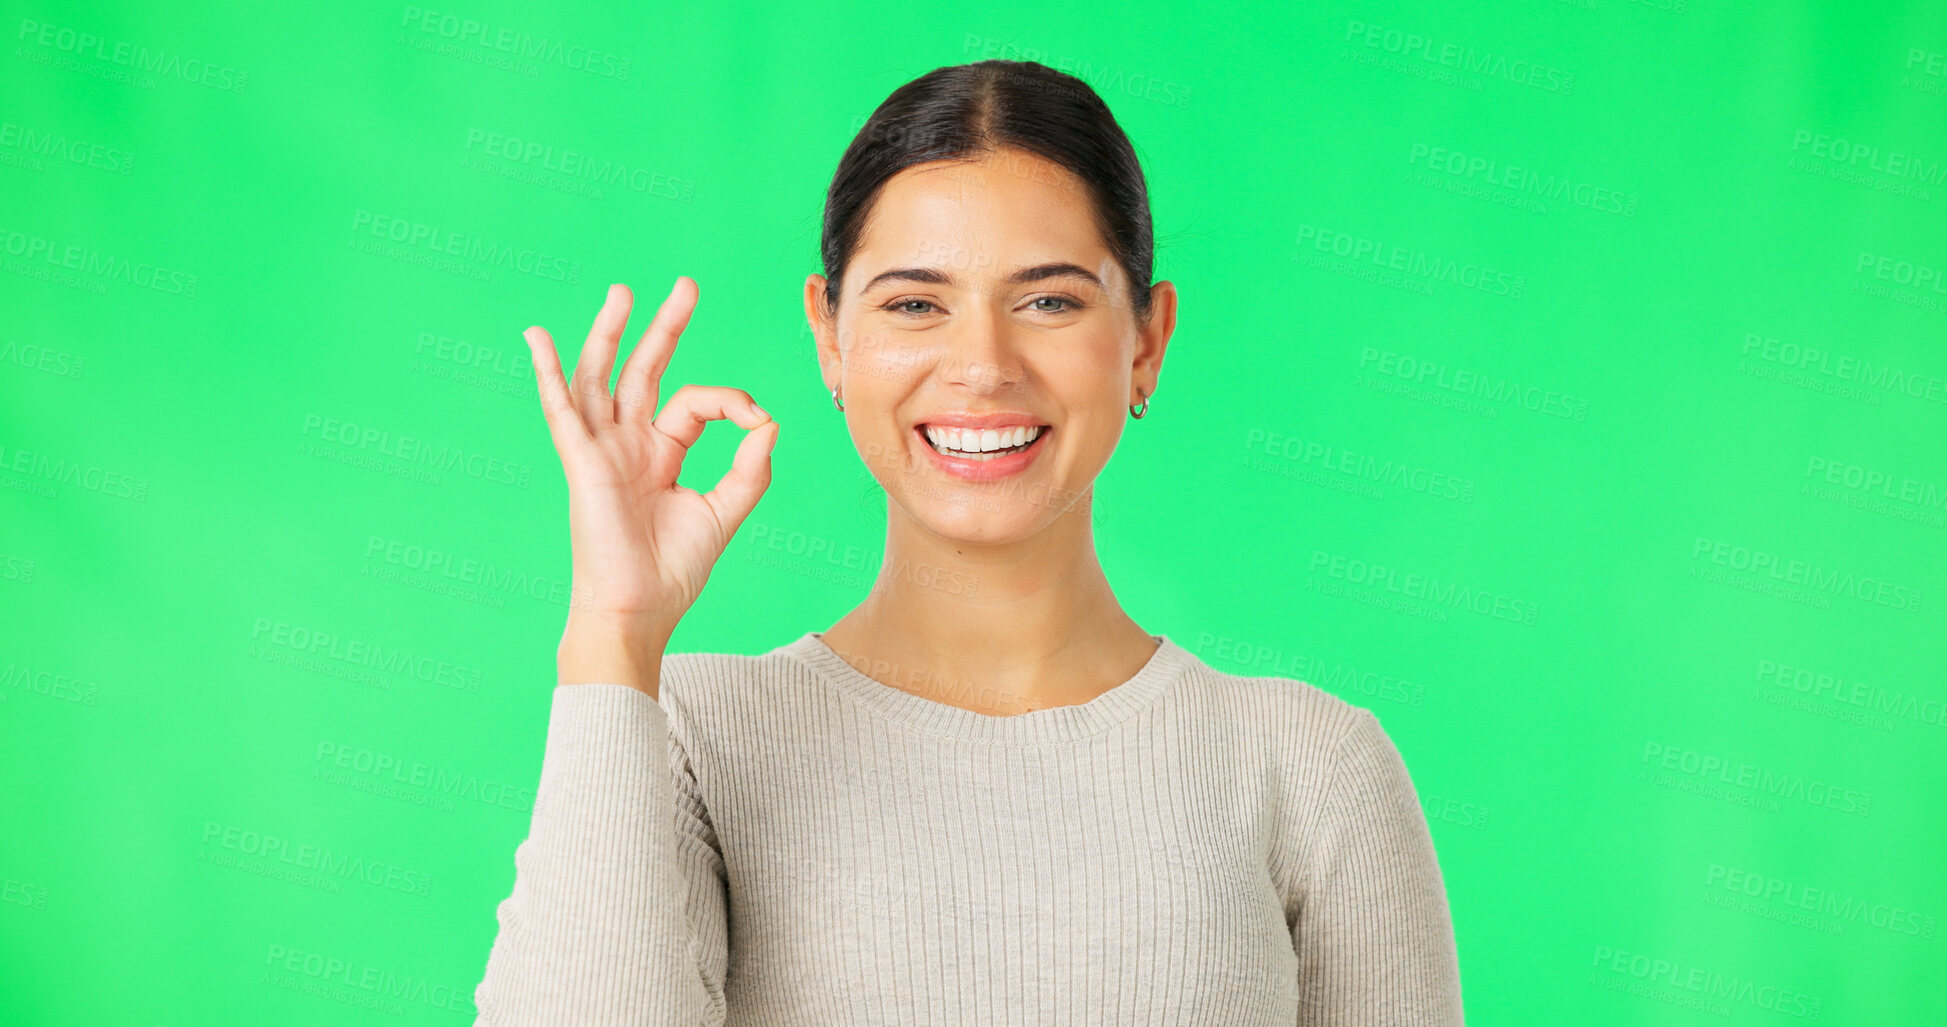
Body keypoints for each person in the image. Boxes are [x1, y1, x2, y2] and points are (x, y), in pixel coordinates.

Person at [472, 59, 1463, 1025]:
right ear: (830, 335)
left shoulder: (1308, 766)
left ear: (1146, 339)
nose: (982, 366)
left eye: (1049, 300)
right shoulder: (687, 734)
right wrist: (613, 634)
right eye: (915, 304)